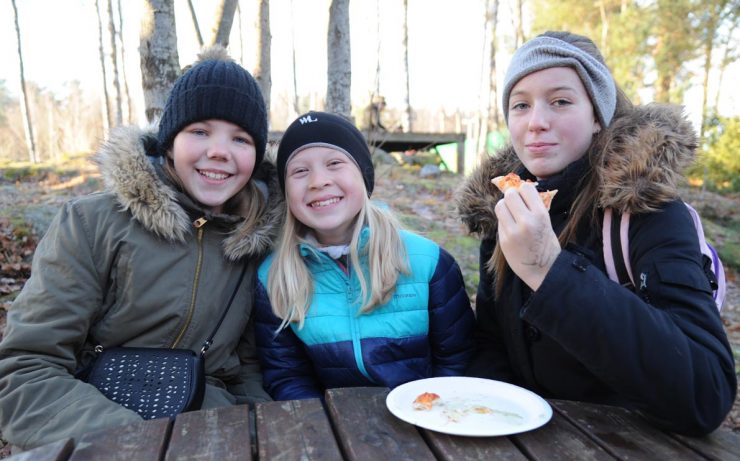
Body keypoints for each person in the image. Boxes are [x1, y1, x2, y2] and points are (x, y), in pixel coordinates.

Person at [0, 46, 284, 450]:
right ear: (169, 143)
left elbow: (246, 371)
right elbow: (24, 370)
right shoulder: (90, 223)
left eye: (240, 138)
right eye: (200, 131)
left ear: (255, 157)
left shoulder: (254, 242)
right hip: (87, 433)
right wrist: (137, 443)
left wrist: (254, 437)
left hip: (205, 436)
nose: (219, 150)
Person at [456, 31, 736, 436]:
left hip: (631, 451)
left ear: (597, 116)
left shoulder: (648, 215)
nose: (536, 122)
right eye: (520, 105)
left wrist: (549, 270)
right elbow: (492, 345)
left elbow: (705, 392)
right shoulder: (504, 209)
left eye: (561, 101)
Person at [254, 111, 475, 400]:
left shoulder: (429, 263)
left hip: (427, 421)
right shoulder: (273, 278)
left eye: (334, 163)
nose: (318, 181)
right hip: (331, 428)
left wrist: (431, 413)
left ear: (363, 175)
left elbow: (458, 362)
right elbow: (287, 375)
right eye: (300, 171)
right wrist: (323, 426)